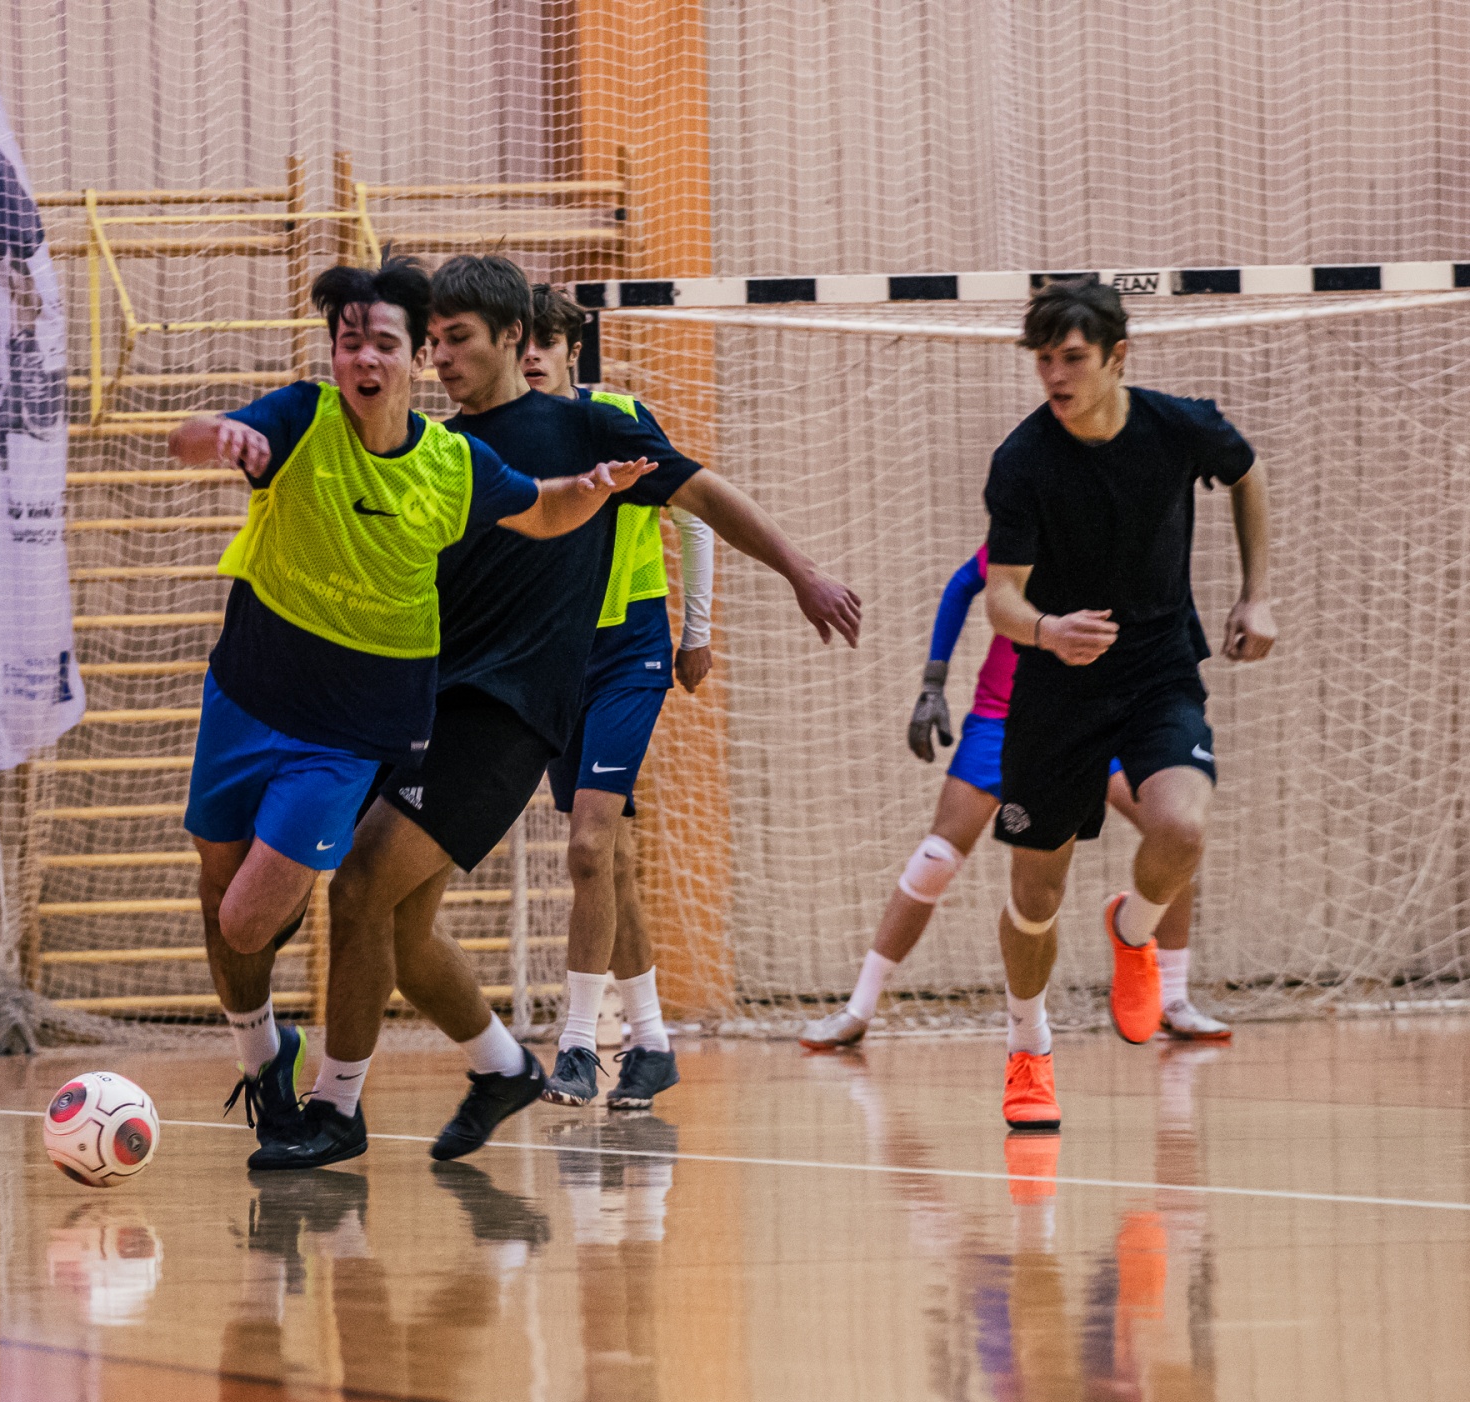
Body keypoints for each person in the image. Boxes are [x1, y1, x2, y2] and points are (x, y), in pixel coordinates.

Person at [258, 254, 861, 1170]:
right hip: (424, 705)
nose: (440, 356)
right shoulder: (442, 449)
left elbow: (705, 497)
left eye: (457, 338)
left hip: (504, 717)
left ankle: (338, 1110)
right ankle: (501, 1068)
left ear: (512, 337)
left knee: (360, 887)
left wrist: (801, 573)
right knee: (403, 931)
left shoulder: (588, 428)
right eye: (432, 341)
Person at [166, 256, 658, 1167]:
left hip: (390, 726)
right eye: (349, 342)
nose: (367, 358)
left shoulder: (461, 462)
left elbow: (546, 507)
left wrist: (595, 490)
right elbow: (208, 435)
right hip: (263, 695)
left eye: (388, 343)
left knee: (299, 908)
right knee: (366, 918)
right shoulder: (305, 416)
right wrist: (214, 437)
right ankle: (486, 1064)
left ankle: (337, 1106)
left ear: (416, 356)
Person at [980, 279, 1274, 1132]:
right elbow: (1001, 598)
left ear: (1118, 357)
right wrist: (1047, 630)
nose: (1055, 377)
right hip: (1057, 690)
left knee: (1181, 828)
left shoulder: (1179, 427)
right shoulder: (1023, 460)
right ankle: (1028, 1048)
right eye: (1043, 360)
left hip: (1158, 671)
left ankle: (1134, 931)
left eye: (1072, 358)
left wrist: (1257, 593)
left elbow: (1247, 472)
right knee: (1035, 897)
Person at [798, 546, 1232, 1050]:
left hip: (1095, 715)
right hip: (1001, 716)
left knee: (1173, 834)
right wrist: (933, 683)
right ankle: (859, 1008)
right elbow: (963, 585)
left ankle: (1172, 999)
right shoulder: (1027, 527)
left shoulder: (1126, 540)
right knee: (936, 859)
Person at [521, 286, 717, 1109]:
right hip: (556, 656)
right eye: (520, 343)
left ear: (574, 350)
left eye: (546, 342)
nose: (532, 356)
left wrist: (695, 632)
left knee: (589, 846)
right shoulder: (505, 436)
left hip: (631, 651)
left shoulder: (619, 417)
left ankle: (576, 1047)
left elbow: (696, 516)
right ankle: (652, 1044)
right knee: (611, 860)